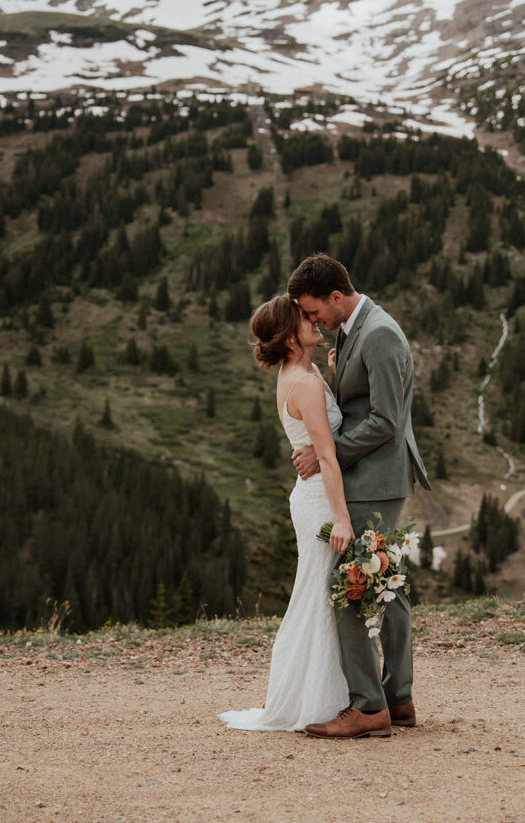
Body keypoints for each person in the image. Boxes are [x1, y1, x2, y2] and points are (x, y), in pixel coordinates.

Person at [287, 253, 431, 740]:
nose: (312, 321)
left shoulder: (381, 332)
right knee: (384, 588)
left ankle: (370, 706)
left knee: (349, 587)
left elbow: (388, 420)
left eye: (313, 311)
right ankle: (398, 698)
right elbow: (365, 397)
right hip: (370, 477)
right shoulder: (358, 327)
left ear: (335, 297)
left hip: (375, 479)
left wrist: (325, 452)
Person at [218, 294, 354, 732]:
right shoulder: (306, 383)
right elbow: (329, 459)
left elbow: (318, 438)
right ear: (289, 335)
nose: (315, 321)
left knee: (315, 594)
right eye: (305, 318)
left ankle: (321, 693)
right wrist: (343, 519)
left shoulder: (304, 373)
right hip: (320, 502)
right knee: (318, 597)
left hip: (310, 495)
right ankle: (316, 701)